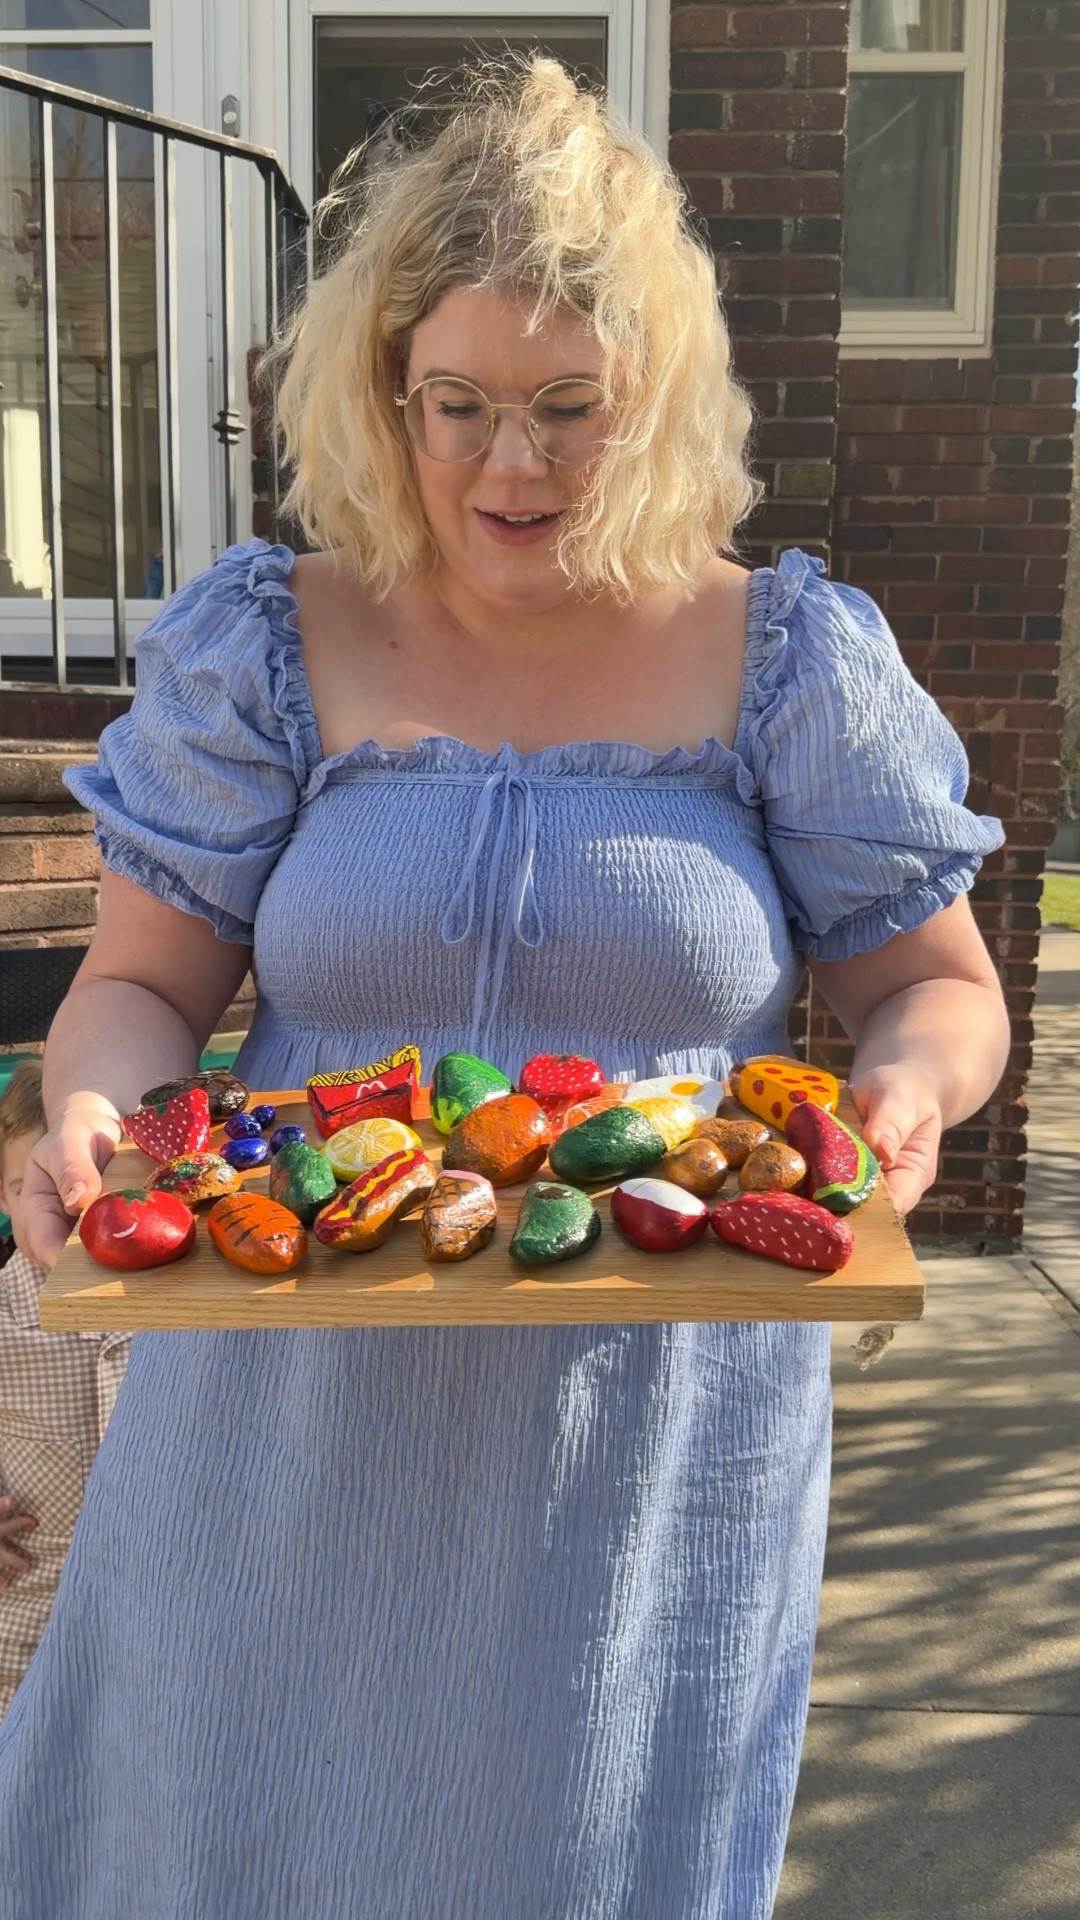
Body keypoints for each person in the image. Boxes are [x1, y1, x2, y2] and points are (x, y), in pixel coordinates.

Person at [2, 56, 1009, 1920]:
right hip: (275, 1431)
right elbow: (139, 988)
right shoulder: (268, 641)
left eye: (569, 407)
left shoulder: (786, 657)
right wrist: (87, 1103)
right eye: (456, 404)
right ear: (385, 391)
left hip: (641, 1448)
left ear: (659, 398)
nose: (512, 466)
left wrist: (913, 1087)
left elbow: (937, 986)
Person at [0, 1064, 130, 1719]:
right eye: (28, 1188)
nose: (55, 1212)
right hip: (27, 1620)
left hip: (158, 1622)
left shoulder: (183, 1311)